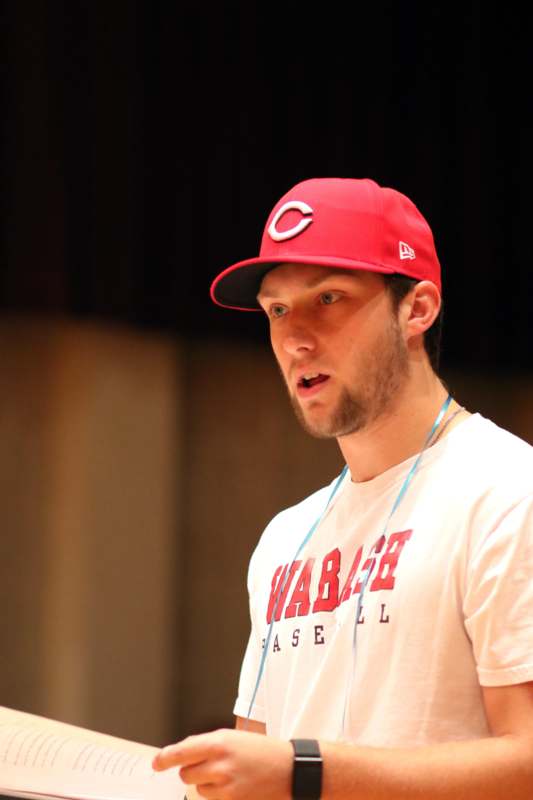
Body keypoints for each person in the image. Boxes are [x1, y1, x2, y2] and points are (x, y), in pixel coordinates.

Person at [153, 178, 533, 799]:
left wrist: (306, 771)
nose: (294, 338)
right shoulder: (284, 539)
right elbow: (258, 766)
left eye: (327, 298)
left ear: (416, 309)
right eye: (277, 310)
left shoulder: (509, 493)